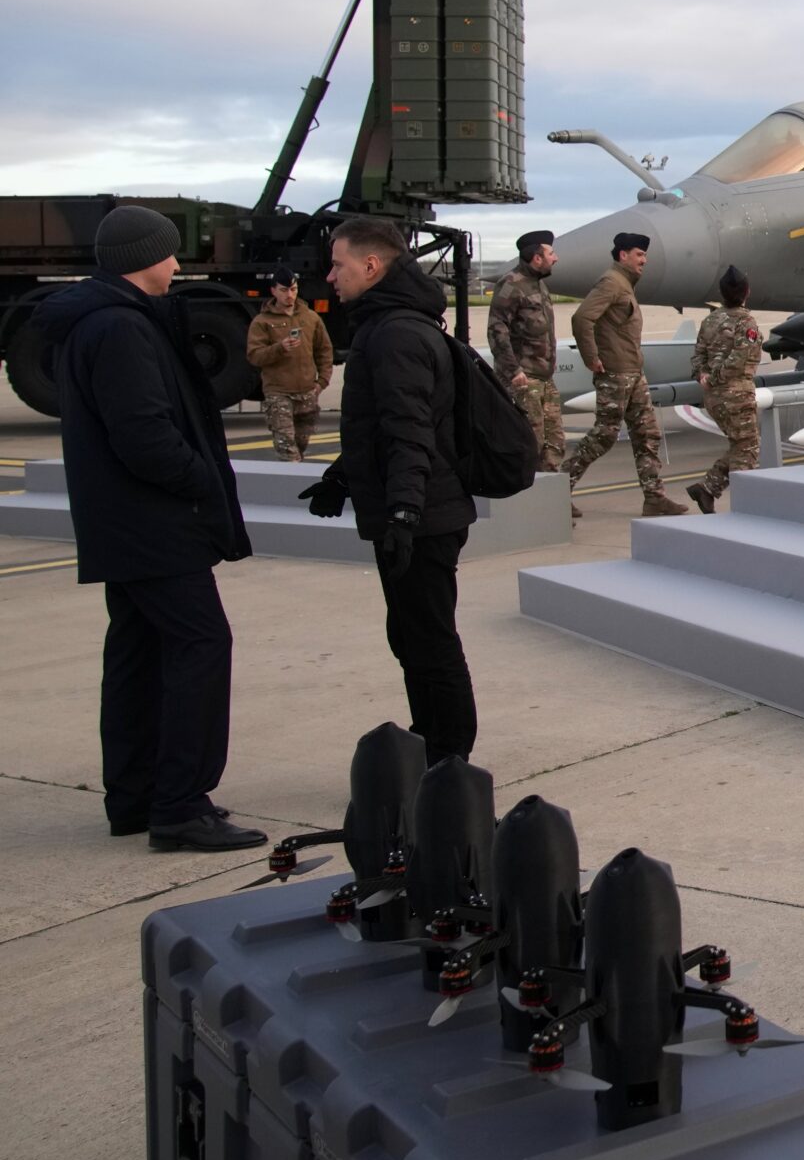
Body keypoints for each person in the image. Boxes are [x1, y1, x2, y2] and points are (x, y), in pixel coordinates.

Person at [33, 205, 262, 850]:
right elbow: (145, 438)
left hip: (123, 525)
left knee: (137, 654)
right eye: (168, 253)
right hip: (153, 525)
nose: (177, 263)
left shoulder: (100, 322)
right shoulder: (120, 329)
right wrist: (202, 480)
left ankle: (134, 798)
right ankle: (181, 806)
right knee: (201, 645)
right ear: (144, 259)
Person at [300, 216, 481, 764]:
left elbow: (410, 432)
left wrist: (403, 514)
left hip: (424, 515)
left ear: (372, 265)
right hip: (417, 508)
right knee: (411, 637)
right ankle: (430, 740)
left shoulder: (397, 333)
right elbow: (378, 426)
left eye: (339, 264)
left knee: (429, 641)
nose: (331, 276)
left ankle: (449, 762)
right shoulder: (387, 325)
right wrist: (342, 476)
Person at [561, 232, 688, 515]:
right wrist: (591, 358)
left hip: (633, 372)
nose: (644, 260)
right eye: (639, 255)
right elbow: (582, 318)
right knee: (604, 435)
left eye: (644, 255)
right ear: (623, 256)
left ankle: (655, 498)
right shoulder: (611, 282)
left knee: (647, 433)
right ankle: (557, 490)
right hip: (616, 374)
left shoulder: (625, 284)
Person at [487, 230, 568, 491]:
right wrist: (513, 371)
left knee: (554, 442)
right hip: (524, 379)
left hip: (544, 378)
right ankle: (530, 499)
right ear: (536, 258)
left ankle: (552, 498)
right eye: (551, 253)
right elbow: (497, 329)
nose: (555, 258)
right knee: (530, 442)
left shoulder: (539, 285)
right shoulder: (511, 284)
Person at [686, 266, 762, 514]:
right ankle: (745, 506)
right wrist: (717, 377)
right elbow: (740, 358)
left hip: (714, 397)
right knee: (748, 448)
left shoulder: (710, 320)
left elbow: (697, 356)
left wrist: (703, 377)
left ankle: (707, 490)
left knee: (741, 444)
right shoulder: (745, 321)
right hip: (735, 394)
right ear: (746, 292)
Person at [244, 269, 332, 461]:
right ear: (273, 291)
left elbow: (324, 351)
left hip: (308, 392)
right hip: (278, 393)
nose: (289, 295)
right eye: (284, 290)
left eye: (293, 289)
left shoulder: (311, 318)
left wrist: (321, 382)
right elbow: (254, 356)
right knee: (287, 451)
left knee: (301, 446)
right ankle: (290, 485)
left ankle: (296, 482)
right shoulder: (262, 322)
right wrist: (279, 348)